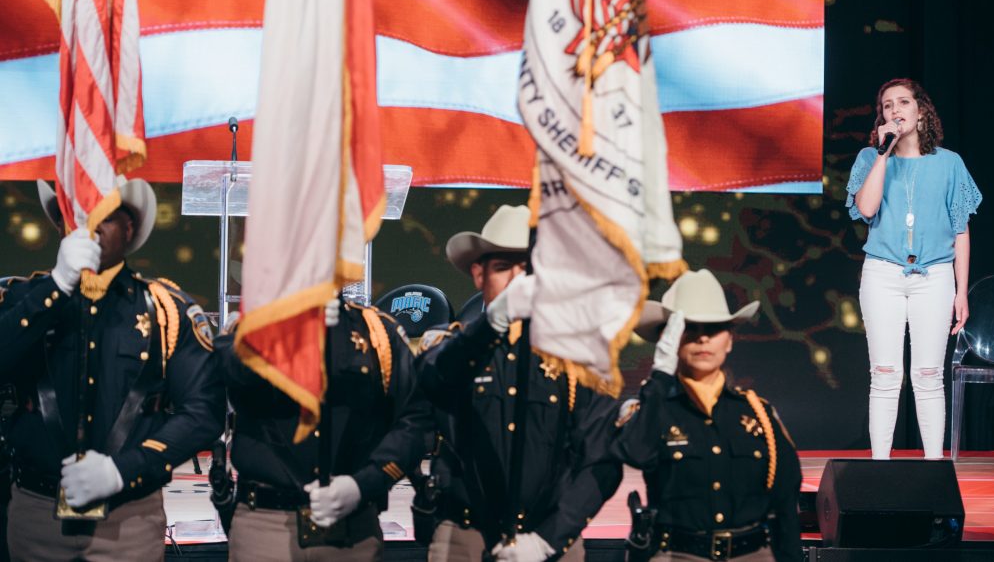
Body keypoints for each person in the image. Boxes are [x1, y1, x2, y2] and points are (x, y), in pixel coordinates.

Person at [0, 177, 225, 562]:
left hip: (129, 522)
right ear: (59, 224)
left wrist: (124, 470)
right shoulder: (19, 300)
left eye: (105, 214)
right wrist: (56, 287)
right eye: (77, 214)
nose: (90, 225)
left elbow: (203, 413)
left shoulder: (167, 310)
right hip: (36, 516)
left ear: (130, 228)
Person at [416, 204, 623, 562]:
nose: (518, 279)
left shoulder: (583, 358)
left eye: (529, 267)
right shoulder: (450, 347)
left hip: (552, 538)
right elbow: (435, 380)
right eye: (502, 267)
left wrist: (547, 539)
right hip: (466, 538)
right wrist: (489, 328)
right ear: (478, 275)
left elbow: (601, 459)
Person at [215, 293, 432, 561]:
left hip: (353, 526)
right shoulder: (249, 331)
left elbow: (415, 421)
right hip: (266, 524)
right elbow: (227, 374)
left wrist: (365, 484)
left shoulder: (377, 332)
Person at [613, 269, 802, 562]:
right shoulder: (652, 408)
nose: (702, 338)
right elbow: (636, 452)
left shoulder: (758, 414)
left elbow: (785, 502)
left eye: (713, 328)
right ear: (669, 338)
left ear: (729, 340)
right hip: (676, 555)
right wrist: (661, 376)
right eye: (689, 327)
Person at [846, 78, 982, 460]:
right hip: (882, 275)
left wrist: (961, 291)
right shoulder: (869, 159)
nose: (894, 110)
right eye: (887, 106)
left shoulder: (949, 163)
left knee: (928, 376)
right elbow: (867, 209)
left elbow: (961, 231)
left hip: (935, 276)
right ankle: (879, 468)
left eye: (902, 102)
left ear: (920, 110)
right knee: (886, 374)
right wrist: (882, 154)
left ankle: (934, 470)